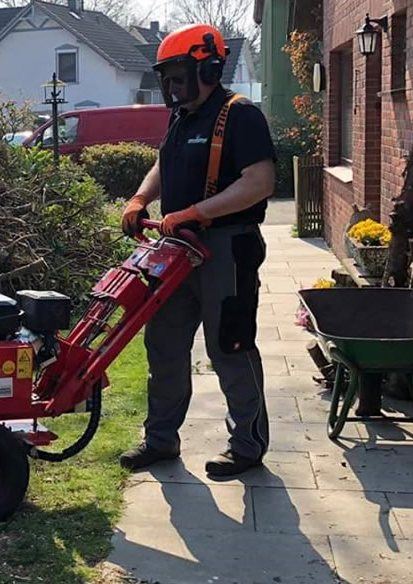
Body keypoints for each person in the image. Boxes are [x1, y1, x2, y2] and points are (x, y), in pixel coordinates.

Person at [119, 24, 277, 477]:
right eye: (165, 77)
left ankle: (247, 445)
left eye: (177, 75)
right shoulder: (181, 116)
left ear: (208, 67)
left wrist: (197, 212)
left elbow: (259, 182)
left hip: (227, 248)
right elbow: (163, 164)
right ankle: (160, 440)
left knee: (229, 344)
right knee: (164, 342)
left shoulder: (240, 115)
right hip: (177, 249)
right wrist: (139, 199)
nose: (170, 86)